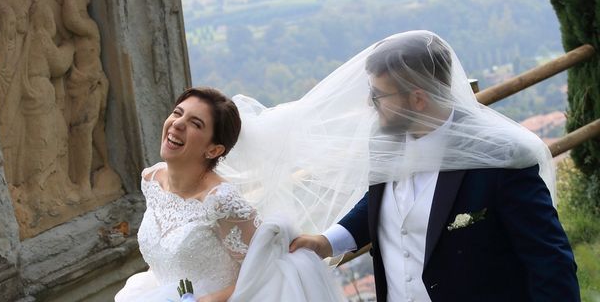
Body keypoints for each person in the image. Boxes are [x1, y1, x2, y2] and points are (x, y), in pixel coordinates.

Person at [288, 30, 580, 301]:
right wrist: (328, 241)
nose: (369, 102)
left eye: (378, 94)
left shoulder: (502, 158)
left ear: (417, 99)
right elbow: (382, 202)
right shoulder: (383, 141)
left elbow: (550, 263)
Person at [115, 86, 345, 302]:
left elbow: (267, 270)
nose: (177, 124)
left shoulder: (221, 201)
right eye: (177, 113)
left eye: (195, 123)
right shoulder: (152, 179)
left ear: (213, 150)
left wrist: (210, 300)